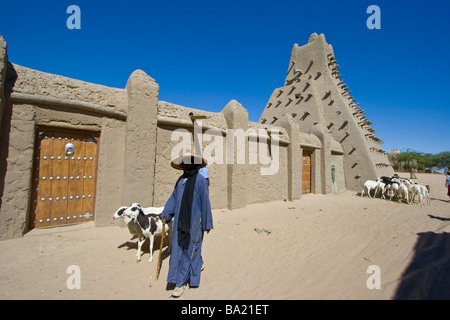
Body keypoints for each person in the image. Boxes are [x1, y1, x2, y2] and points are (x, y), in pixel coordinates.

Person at [161, 152, 213, 298]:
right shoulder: (180, 180)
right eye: (183, 163)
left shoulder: (200, 181)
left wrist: (207, 223)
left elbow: (205, 202)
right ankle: (177, 278)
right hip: (179, 222)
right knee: (178, 250)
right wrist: (166, 212)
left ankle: (180, 283)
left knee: (191, 251)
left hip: (194, 223)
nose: (185, 165)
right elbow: (174, 197)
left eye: (188, 163)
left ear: (195, 164)